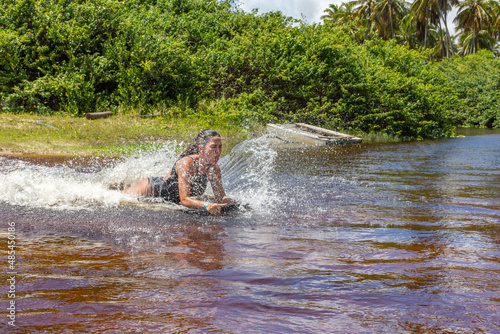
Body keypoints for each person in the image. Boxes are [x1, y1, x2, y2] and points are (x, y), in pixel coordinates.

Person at [124, 129, 236, 215]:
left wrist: (231, 202)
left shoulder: (214, 169)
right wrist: (206, 205)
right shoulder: (187, 164)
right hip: (149, 189)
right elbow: (184, 199)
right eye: (213, 147)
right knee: (119, 199)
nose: (218, 151)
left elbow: (220, 196)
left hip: (169, 199)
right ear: (201, 149)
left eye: (220, 147)